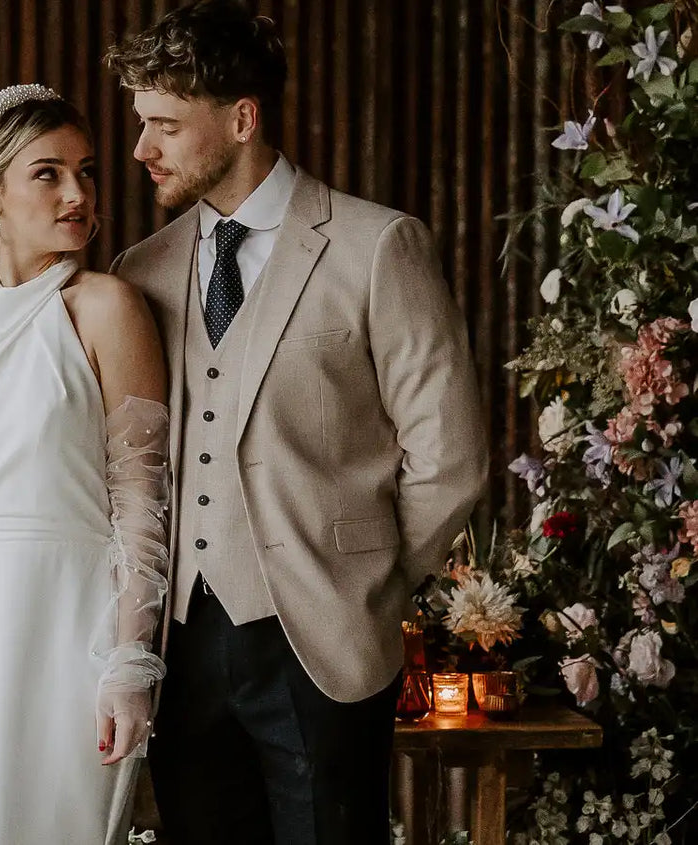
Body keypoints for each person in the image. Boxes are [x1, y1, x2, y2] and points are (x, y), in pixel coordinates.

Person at [103, 3, 490, 843]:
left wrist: (365, 581)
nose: (142, 150)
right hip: (183, 652)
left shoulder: (377, 245)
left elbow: (450, 456)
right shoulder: (142, 270)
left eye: (166, 125)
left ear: (242, 120)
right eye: (142, 123)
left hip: (325, 640)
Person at [0, 84, 171, 845]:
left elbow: (143, 498)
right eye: (48, 174)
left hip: (70, 625)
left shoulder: (107, 307)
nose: (77, 194)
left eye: (86, 172)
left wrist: (130, 660)